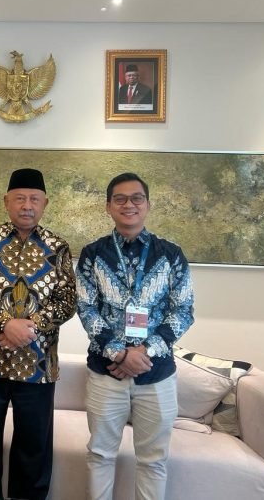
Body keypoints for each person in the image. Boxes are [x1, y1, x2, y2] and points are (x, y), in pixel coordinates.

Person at [76, 172, 194, 500]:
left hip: (156, 373)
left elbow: (183, 310)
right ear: (108, 207)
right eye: (120, 199)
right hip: (106, 373)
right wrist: (119, 353)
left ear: (147, 205)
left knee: (154, 460)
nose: (129, 204)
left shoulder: (170, 254)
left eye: (136, 198)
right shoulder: (92, 254)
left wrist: (144, 352)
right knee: (100, 454)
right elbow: (86, 309)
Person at [0, 168, 77, 500]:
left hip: (38, 364)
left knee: (33, 447)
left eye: (34, 199)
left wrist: (30, 326)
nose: (27, 205)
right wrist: (5, 323)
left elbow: (67, 300)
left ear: (44, 204)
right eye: (20, 198)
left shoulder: (58, 246)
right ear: (6, 202)